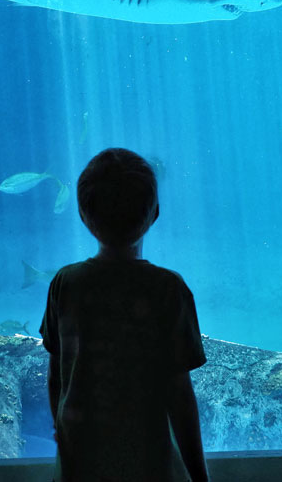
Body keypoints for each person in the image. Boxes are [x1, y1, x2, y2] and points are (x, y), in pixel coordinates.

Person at [40, 148, 209, 482]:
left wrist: (61, 428)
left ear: (83, 215)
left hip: (80, 457)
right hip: (147, 457)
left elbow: (56, 371)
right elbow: (180, 394)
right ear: (155, 213)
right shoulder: (168, 289)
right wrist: (199, 476)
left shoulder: (66, 283)